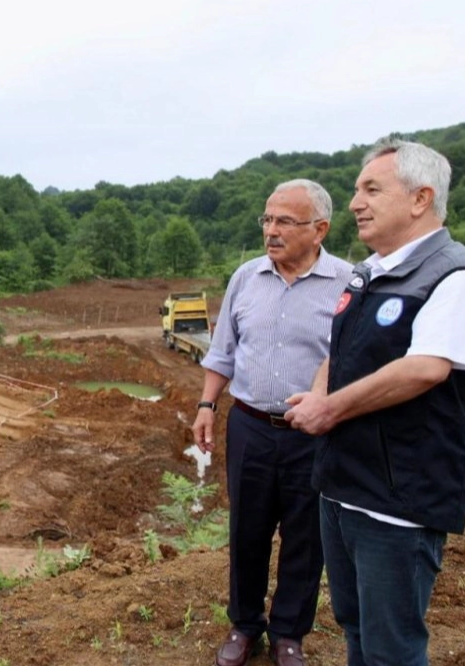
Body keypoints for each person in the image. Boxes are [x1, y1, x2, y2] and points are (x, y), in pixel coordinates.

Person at [285, 139, 465, 666]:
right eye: (356, 189)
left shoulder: (451, 277)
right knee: (355, 627)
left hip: (397, 501)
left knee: (393, 647)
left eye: (371, 189)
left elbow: (425, 368)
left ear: (420, 198)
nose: (356, 201)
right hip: (343, 487)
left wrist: (330, 409)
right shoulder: (369, 272)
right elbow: (338, 352)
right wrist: (320, 393)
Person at [192, 178, 353, 666]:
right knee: (248, 529)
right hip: (250, 426)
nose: (271, 230)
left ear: (319, 228)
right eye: (267, 219)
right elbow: (222, 352)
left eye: (285, 220)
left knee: (307, 535)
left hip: (315, 433)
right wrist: (206, 406)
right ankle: (244, 626)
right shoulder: (246, 277)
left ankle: (289, 633)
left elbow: (354, 360)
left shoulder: (349, 282)